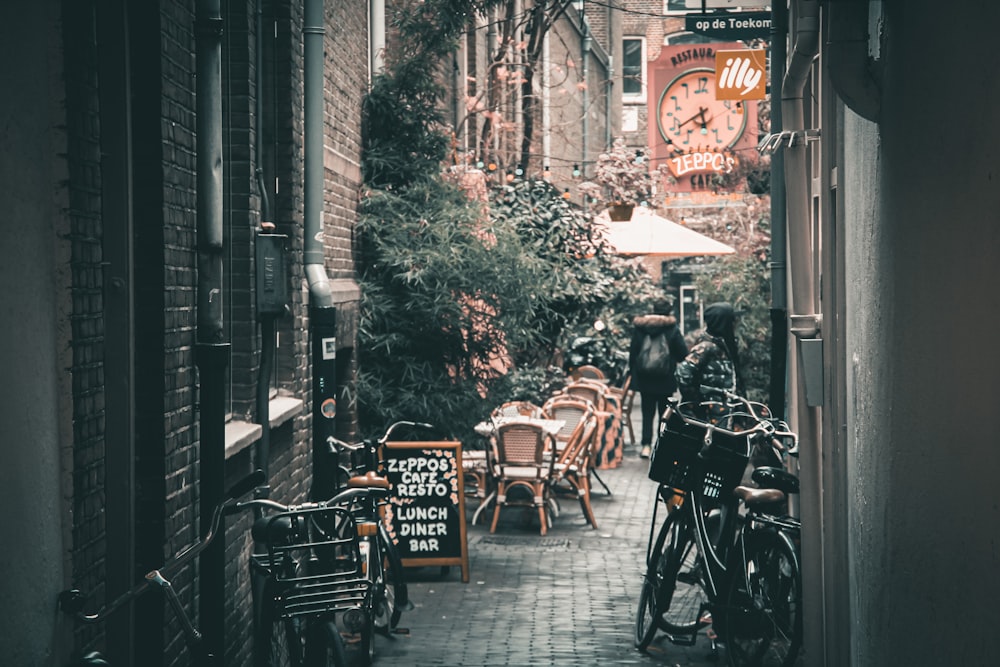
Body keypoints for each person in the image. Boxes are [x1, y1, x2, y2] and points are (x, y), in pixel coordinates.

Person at [629, 299, 688, 458]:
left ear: (653, 309)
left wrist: (632, 375)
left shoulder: (641, 328)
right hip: (665, 379)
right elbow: (683, 353)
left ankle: (646, 446)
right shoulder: (672, 329)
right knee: (665, 414)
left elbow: (633, 352)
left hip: (645, 379)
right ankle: (661, 446)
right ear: (669, 312)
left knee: (647, 413)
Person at [675, 302, 742, 415]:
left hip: (723, 410)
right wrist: (696, 401)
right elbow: (682, 372)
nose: (734, 323)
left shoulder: (724, 344)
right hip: (709, 414)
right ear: (722, 323)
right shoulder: (706, 347)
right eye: (732, 320)